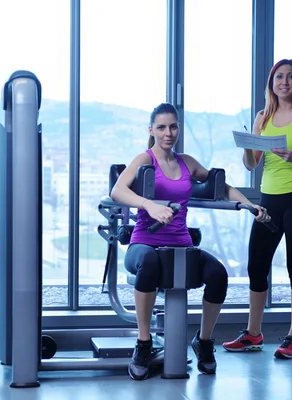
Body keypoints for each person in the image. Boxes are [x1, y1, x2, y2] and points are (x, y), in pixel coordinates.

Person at [110, 102, 271, 380]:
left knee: (218, 274)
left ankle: (204, 341)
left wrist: (248, 205)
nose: (167, 133)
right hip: (143, 244)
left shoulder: (187, 163)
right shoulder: (144, 159)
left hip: (181, 244)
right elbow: (117, 191)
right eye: (161, 127)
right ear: (152, 130)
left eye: (172, 126)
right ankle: (144, 343)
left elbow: (222, 187)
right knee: (148, 262)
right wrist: (149, 205)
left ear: (178, 129)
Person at [222, 59, 292, 359]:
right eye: (279, 77)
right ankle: (253, 334)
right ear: (271, 82)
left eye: (291, 77)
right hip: (268, 201)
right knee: (256, 266)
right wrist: (248, 146)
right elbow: (252, 163)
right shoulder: (262, 117)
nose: (284, 82)